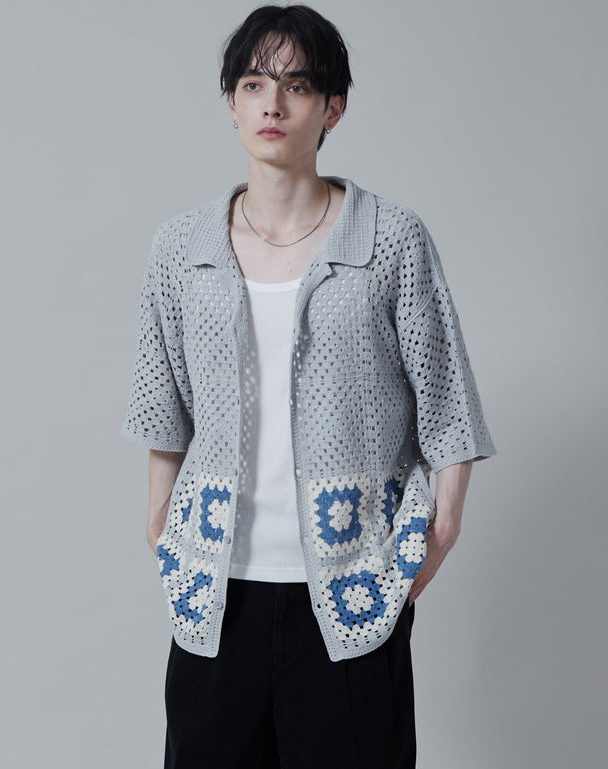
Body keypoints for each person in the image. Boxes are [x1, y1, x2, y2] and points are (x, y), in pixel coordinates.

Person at [121, 5, 495, 768]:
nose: (273, 103)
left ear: (332, 108)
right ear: (230, 104)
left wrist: (437, 535)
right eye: (253, 83)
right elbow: (162, 408)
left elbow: (447, 403)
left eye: (296, 86)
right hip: (215, 591)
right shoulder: (180, 249)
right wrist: (160, 528)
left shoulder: (389, 238)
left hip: (355, 589)